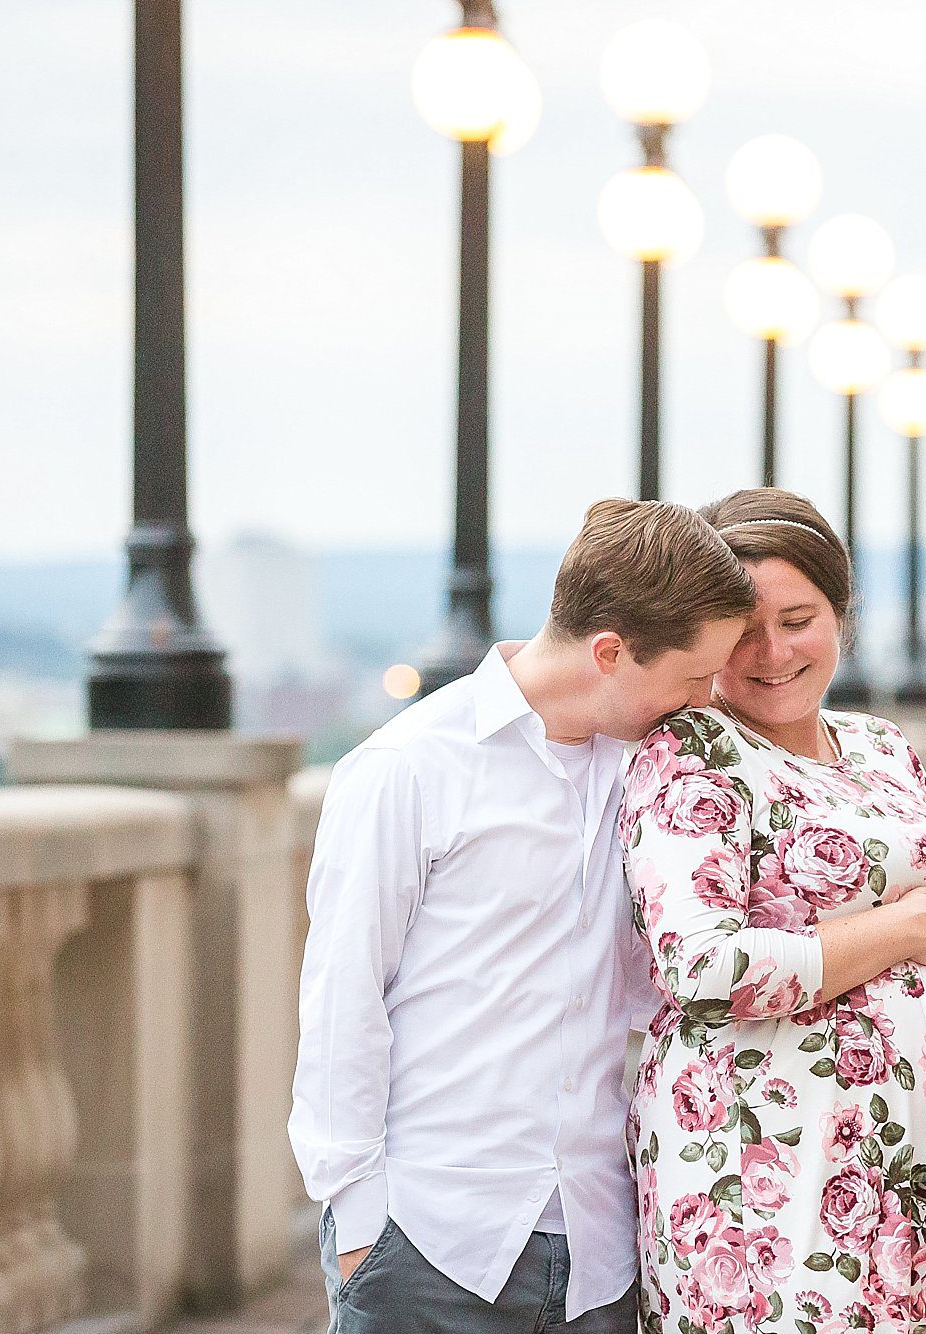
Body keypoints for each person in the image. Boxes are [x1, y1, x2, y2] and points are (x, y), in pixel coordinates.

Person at [289, 498, 757, 1334]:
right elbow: (342, 1004)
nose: (705, 700)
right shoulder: (407, 769)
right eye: (692, 676)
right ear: (610, 653)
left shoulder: (657, 779)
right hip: (429, 1245)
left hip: (602, 1254)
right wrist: (362, 1231)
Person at [620, 488, 926, 1334]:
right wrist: (894, 931)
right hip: (777, 1169)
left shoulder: (883, 747)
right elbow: (700, 966)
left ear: (841, 618)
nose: (770, 651)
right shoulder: (691, 754)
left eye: (797, 618)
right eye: (742, 629)